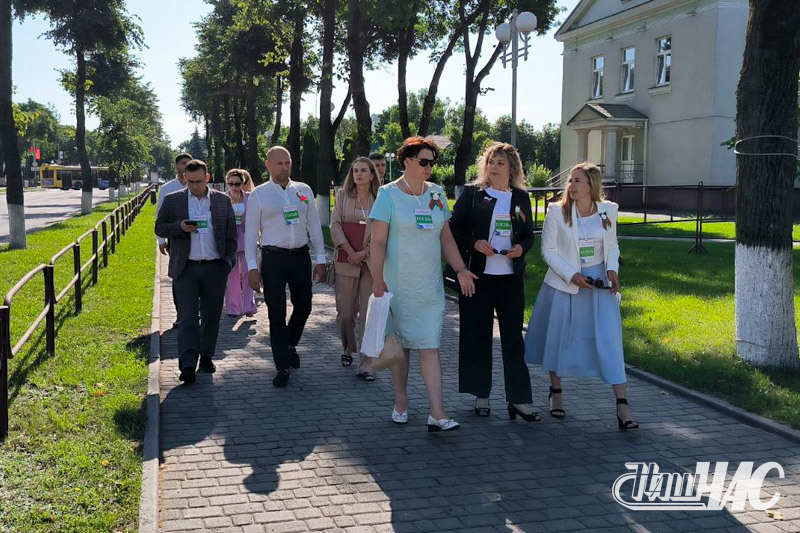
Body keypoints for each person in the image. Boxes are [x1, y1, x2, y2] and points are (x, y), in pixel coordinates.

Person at [370, 136, 477, 432]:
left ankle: (437, 413)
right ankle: (401, 401)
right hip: (398, 284)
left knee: (430, 345)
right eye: (424, 162)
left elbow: (446, 238)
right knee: (401, 347)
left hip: (429, 286)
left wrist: (461, 269)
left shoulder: (437, 194)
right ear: (406, 162)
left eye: (433, 162)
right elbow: (378, 243)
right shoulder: (388, 195)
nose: (429, 167)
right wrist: (378, 281)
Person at [523, 162, 638, 430]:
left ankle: (622, 405)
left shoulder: (608, 211)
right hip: (566, 282)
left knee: (610, 340)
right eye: (570, 181)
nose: (571, 185)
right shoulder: (557, 212)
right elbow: (548, 251)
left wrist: (612, 269)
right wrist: (571, 274)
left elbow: (612, 245)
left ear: (591, 186)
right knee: (559, 337)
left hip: (599, 285)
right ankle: (556, 392)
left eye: (577, 181)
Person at [450, 142, 539, 422]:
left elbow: (528, 234)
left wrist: (521, 249)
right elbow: (453, 229)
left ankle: (519, 400)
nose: (495, 167)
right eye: (491, 161)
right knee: (477, 337)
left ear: (512, 167)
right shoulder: (472, 195)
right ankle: (481, 394)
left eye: (501, 162)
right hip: (477, 278)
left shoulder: (521, 198)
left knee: (514, 340)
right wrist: (475, 243)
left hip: (509, 279)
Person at [245, 146, 327, 388]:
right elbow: (250, 235)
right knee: (276, 311)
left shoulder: (303, 190)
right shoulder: (259, 195)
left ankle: (290, 343)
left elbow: (314, 225)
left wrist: (320, 259)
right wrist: (252, 268)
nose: (284, 168)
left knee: (304, 305)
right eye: (279, 163)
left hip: (300, 256)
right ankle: (282, 365)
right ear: (268, 165)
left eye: (287, 163)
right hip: (273, 258)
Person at [155, 160, 237, 384]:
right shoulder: (174, 201)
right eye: (190, 182)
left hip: (214, 268)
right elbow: (159, 226)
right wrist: (179, 228)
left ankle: (207, 357)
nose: (194, 186)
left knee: (211, 316)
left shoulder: (222, 201)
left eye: (199, 182)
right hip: (186, 268)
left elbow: (231, 235)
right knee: (188, 318)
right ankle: (187, 365)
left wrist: (227, 263)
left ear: (207, 179)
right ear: (184, 179)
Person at [330, 157, 379, 381]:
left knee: (369, 314)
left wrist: (365, 252)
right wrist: (350, 250)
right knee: (346, 314)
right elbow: (334, 224)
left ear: (372, 174)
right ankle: (348, 348)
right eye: (355, 170)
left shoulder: (381, 197)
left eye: (364, 170)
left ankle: (366, 364)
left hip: (371, 262)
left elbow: (386, 229)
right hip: (346, 259)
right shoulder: (342, 195)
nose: (359, 174)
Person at [157, 152, 191, 329]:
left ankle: (194, 313)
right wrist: (161, 240)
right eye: (183, 163)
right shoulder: (168, 189)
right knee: (179, 278)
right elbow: (159, 218)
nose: (185, 166)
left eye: (189, 163)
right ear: (177, 166)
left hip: (201, 242)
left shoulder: (201, 187)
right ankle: (180, 315)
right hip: (177, 242)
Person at [224, 169, 257, 318]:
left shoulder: (250, 198)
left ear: (243, 183)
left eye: (237, 184)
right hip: (229, 242)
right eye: (230, 184)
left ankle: (249, 305)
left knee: (249, 273)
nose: (234, 187)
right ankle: (233, 307)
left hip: (246, 240)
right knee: (232, 277)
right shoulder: (223, 199)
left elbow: (257, 218)